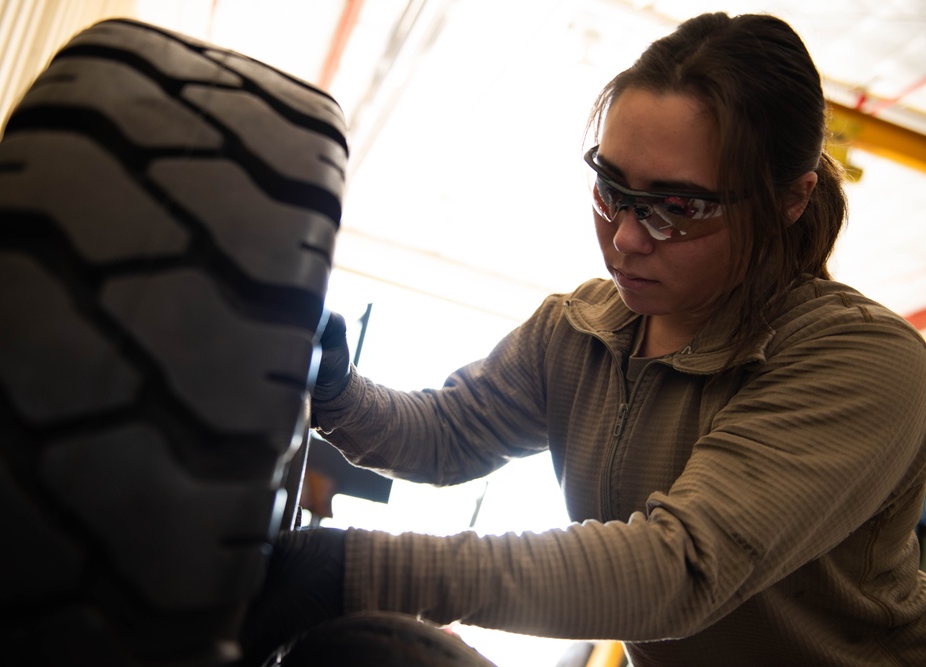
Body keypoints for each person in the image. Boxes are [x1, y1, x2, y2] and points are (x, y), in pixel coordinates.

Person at [240, 11, 926, 666]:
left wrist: (357, 571)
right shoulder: (581, 329)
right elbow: (445, 433)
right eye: (611, 188)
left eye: (677, 208)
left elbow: (677, 568)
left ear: (790, 200)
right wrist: (332, 389)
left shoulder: (863, 362)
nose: (624, 238)